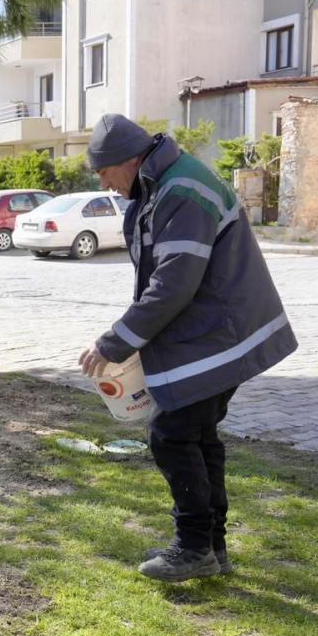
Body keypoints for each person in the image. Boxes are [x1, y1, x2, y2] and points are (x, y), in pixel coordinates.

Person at [79, 114, 297, 582]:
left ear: (131, 161)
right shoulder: (166, 182)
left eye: (105, 171)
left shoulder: (180, 190)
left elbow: (173, 283)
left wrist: (116, 342)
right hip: (218, 332)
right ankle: (211, 548)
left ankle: (195, 547)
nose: (104, 182)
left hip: (220, 334)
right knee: (197, 437)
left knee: (172, 434)